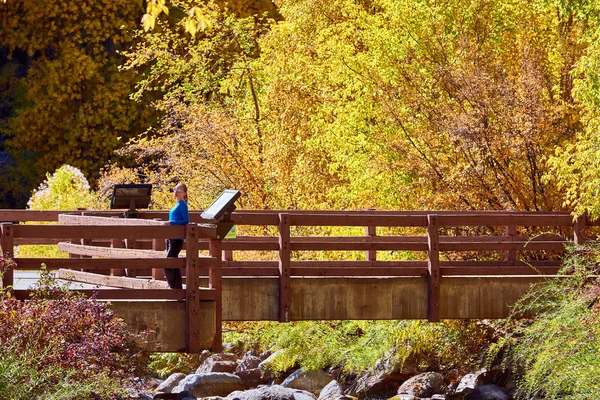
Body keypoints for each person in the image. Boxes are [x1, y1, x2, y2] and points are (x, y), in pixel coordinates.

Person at [164, 183, 189, 289]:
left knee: (167, 263)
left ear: (184, 193)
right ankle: (177, 288)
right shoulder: (176, 204)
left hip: (177, 239)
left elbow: (186, 220)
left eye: (179, 190)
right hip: (171, 237)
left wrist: (171, 222)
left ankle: (173, 287)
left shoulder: (182, 204)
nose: (176, 191)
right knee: (174, 262)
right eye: (175, 189)